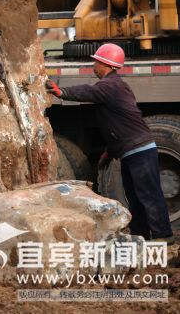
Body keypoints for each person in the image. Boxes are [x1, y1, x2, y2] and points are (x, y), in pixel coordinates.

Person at [46, 43, 173, 242]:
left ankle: (163, 236)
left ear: (106, 64)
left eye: (96, 62)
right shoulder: (116, 86)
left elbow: (87, 92)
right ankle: (141, 235)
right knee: (135, 197)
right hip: (131, 150)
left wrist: (61, 92)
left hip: (139, 151)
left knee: (148, 194)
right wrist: (109, 153)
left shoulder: (109, 85)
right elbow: (118, 127)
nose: (94, 66)